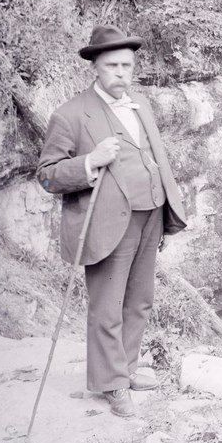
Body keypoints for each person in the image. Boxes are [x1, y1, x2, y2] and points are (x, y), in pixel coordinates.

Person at [37, 25, 187, 417]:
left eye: (127, 65)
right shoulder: (71, 114)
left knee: (140, 300)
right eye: (113, 65)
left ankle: (126, 368)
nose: (122, 72)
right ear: (96, 68)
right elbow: (48, 174)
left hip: (149, 214)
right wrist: (89, 161)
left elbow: (154, 158)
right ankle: (110, 384)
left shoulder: (140, 104)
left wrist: (167, 211)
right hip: (106, 223)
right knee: (107, 304)